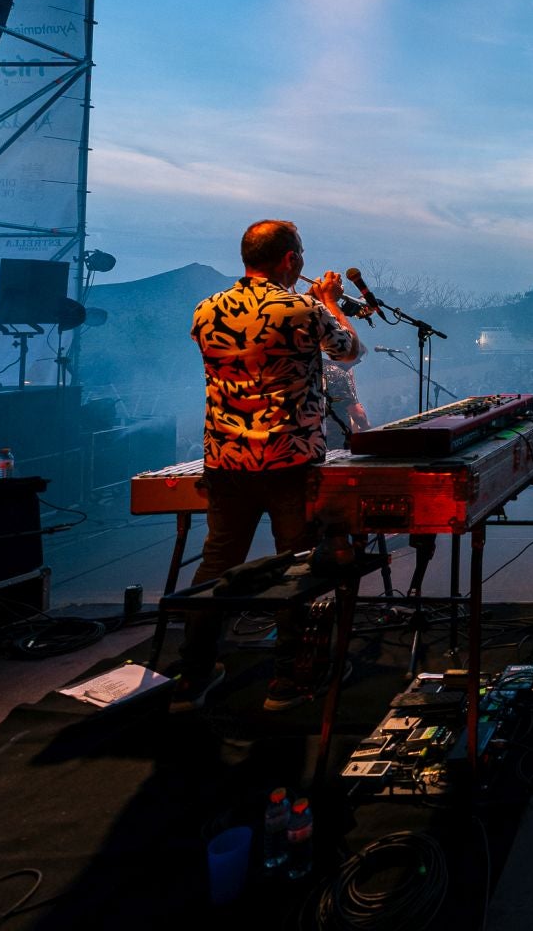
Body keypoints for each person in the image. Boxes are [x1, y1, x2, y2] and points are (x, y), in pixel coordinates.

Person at [169, 219, 362, 714]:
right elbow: (351, 350)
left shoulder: (207, 308)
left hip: (227, 458)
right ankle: (288, 682)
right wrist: (330, 301)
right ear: (291, 260)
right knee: (298, 566)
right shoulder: (303, 307)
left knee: (216, 565)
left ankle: (192, 675)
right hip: (289, 460)